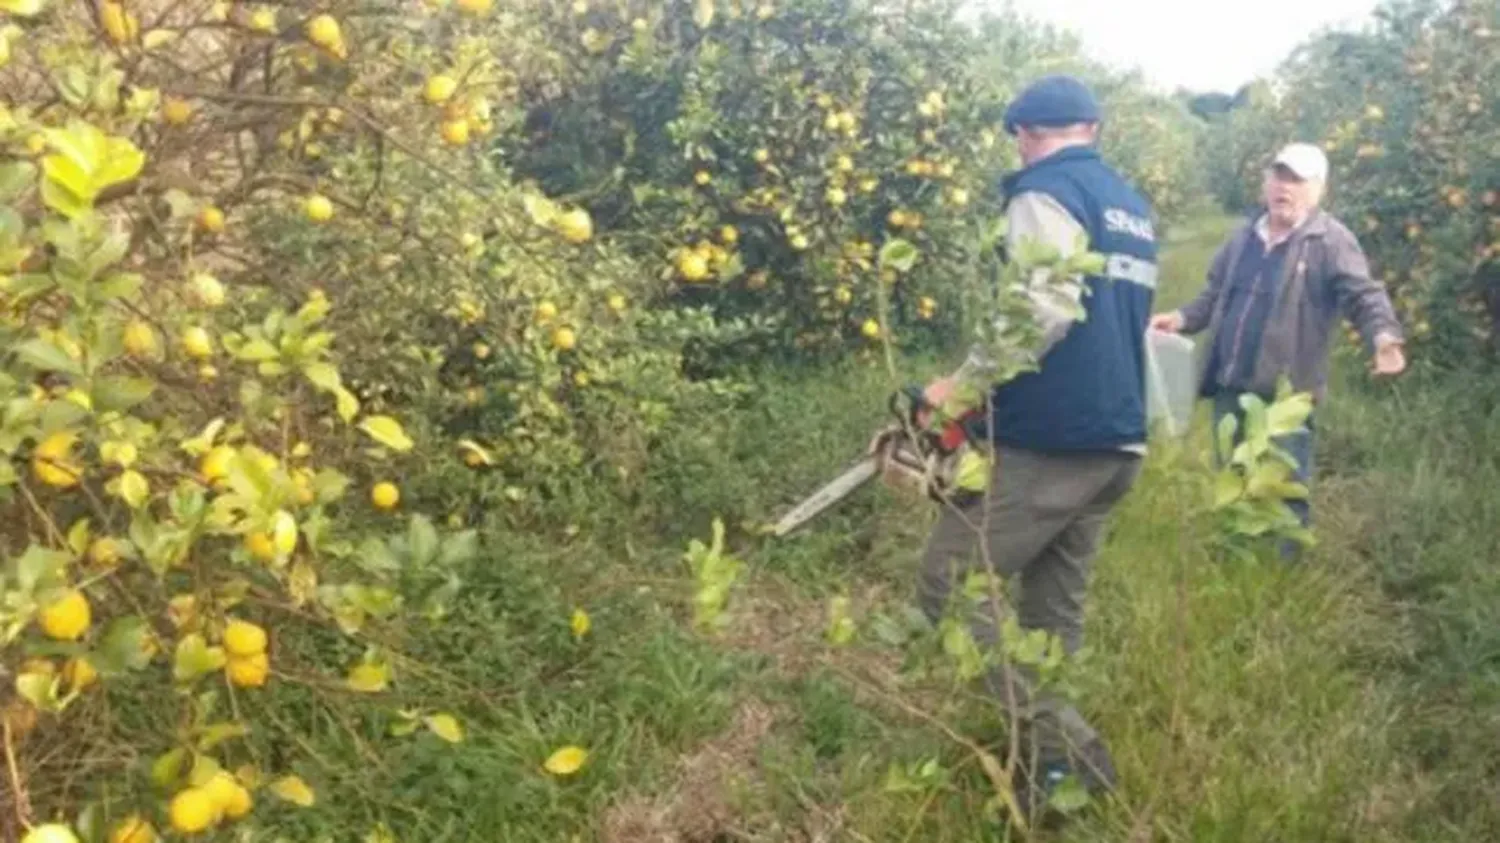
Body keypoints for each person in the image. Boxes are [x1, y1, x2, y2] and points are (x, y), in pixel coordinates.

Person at [915, 74, 1159, 823]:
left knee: (947, 578)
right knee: (1054, 613)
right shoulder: (1131, 206)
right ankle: (1054, 783)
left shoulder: (1042, 191)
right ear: (1093, 127)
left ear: (1025, 133)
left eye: (1017, 136)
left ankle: (1071, 748)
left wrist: (960, 387)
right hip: (1117, 438)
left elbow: (1039, 306)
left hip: (1054, 438)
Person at [1150, 142, 1405, 551]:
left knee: (1284, 486)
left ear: (1318, 189)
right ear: (1265, 182)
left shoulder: (1331, 241)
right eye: (1279, 176)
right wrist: (1180, 319)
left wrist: (1384, 337)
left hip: (1286, 394)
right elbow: (1214, 295)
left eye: (1297, 180)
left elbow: (1363, 295)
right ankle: (1237, 558)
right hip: (1231, 383)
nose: (1285, 188)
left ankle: (1283, 571)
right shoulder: (1244, 238)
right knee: (1233, 477)